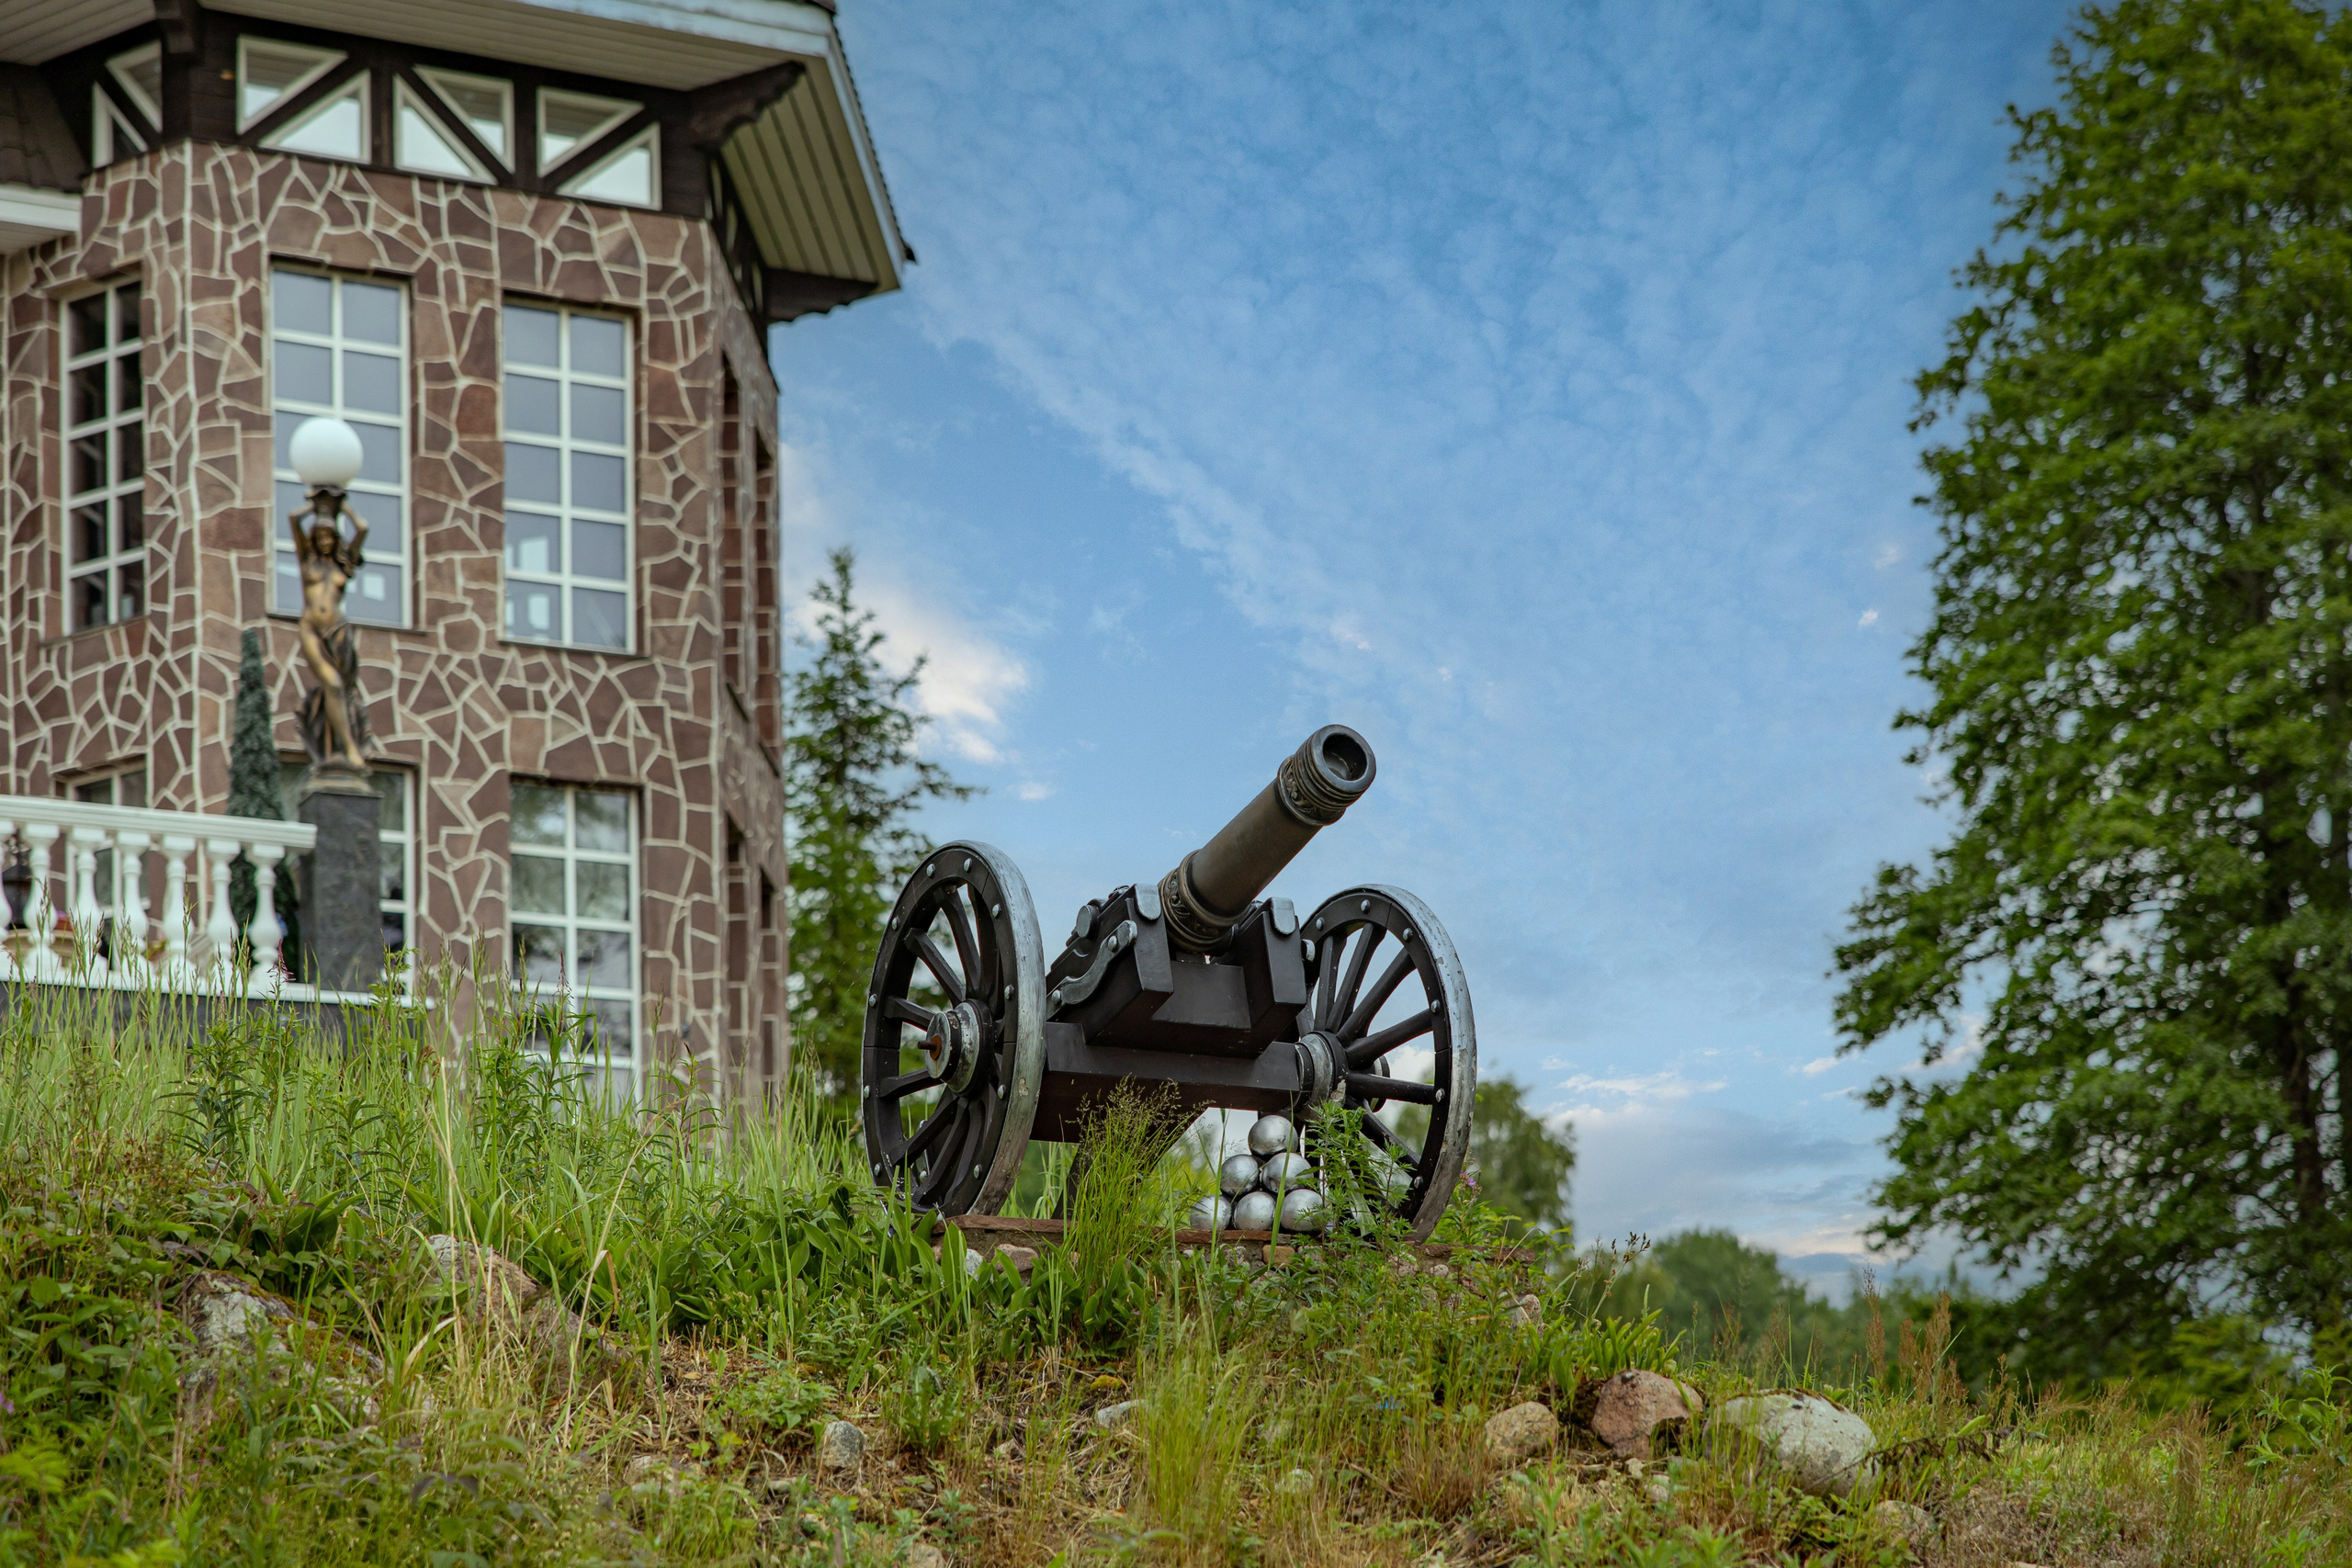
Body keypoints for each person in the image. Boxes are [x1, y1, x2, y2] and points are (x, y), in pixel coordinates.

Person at [289, 497, 371, 773]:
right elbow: (292, 519)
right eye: (320, 536)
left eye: (329, 536)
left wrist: (343, 507)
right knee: (333, 684)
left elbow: (362, 528)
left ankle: (338, 747)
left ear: (336, 540)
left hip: (337, 631)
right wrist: (314, 507)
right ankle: (351, 749)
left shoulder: (342, 565)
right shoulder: (307, 560)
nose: (324, 541)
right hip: (311, 628)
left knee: (341, 691)